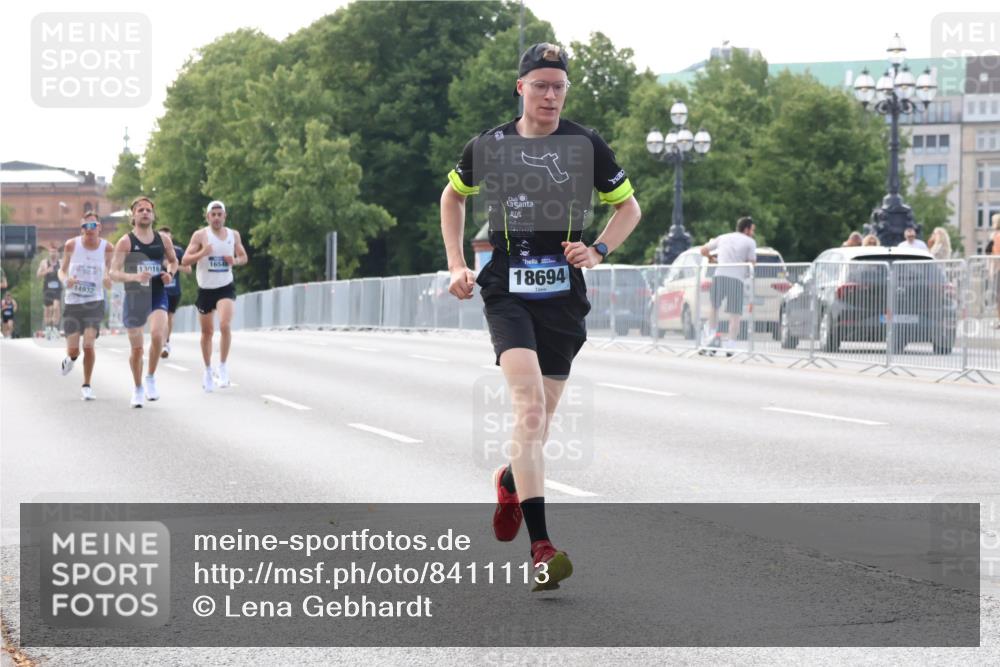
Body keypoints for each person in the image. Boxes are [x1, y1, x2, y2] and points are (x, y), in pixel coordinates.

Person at [441, 42, 641, 591]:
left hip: (563, 295)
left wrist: (598, 249)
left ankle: (509, 480)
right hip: (507, 288)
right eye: (541, 85)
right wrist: (458, 264)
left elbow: (629, 207)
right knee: (528, 407)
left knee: (539, 422)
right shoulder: (490, 145)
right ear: (521, 87)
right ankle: (542, 548)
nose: (551, 95)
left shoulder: (584, 144)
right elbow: (452, 197)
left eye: (560, 86)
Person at [110, 196, 178, 408]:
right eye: (140, 210)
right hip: (134, 297)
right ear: (133, 215)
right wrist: (134, 277)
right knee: (137, 350)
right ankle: (138, 387)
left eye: (148, 210)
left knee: (158, 335)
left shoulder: (163, 240)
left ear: (153, 214)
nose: (145, 213)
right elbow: (113, 272)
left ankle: (150, 377)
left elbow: (174, 262)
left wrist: (169, 273)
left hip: (157, 293)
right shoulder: (126, 242)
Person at [182, 200, 247, 392]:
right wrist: (203, 252)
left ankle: (223, 366)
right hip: (205, 289)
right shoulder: (200, 235)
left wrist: (234, 260)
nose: (217, 217)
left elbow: (244, 257)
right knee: (207, 333)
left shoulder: (233, 235)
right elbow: (185, 260)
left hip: (225, 286)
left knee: (225, 325)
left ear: (225, 216)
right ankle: (208, 370)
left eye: (220, 214)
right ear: (208, 217)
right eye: (213, 214)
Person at [58, 212, 112, 400]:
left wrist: (108, 277)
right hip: (73, 302)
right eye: (85, 227)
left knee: (89, 345)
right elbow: (61, 271)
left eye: (93, 226)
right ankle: (71, 359)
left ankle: (86, 385)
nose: (89, 230)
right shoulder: (71, 245)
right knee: (74, 350)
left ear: (99, 228)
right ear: (81, 229)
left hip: (94, 301)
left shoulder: (107, 248)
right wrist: (67, 281)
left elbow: (110, 271)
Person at [700, 217, 757, 351]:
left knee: (714, 307)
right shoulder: (750, 242)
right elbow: (752, 263)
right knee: (735, 313)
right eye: (752, 230)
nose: (753, 232)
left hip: (719, 275)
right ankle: (731, 344)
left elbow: (703, 250)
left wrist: (712, 259)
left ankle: (711, 335)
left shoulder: (723, 237)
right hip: (737, 278)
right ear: (747, 229)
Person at [157, 226, 192, 359]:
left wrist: (173, 267)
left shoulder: (177, 251)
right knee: (161, 316)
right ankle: (161, 342)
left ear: (170, 238)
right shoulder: (154, 251)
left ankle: (166, 341)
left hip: (174, 289)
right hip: (159, 289)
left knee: (169, 317)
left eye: (167, 236)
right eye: (161, 237)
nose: (165, 239)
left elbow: (188, 270)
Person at [36, 245, 63, 339]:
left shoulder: (61, 262)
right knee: (48, 310)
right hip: (47, 289)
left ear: (57, 253)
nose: (53, 253)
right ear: (49, 253)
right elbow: (38, 275)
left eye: (55, 252)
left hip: (57, 289)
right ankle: (48, 328)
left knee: (56, 308)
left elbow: (65, 273)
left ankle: (55, 328)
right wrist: (47, 271)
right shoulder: (44, 263)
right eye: (51, 252)